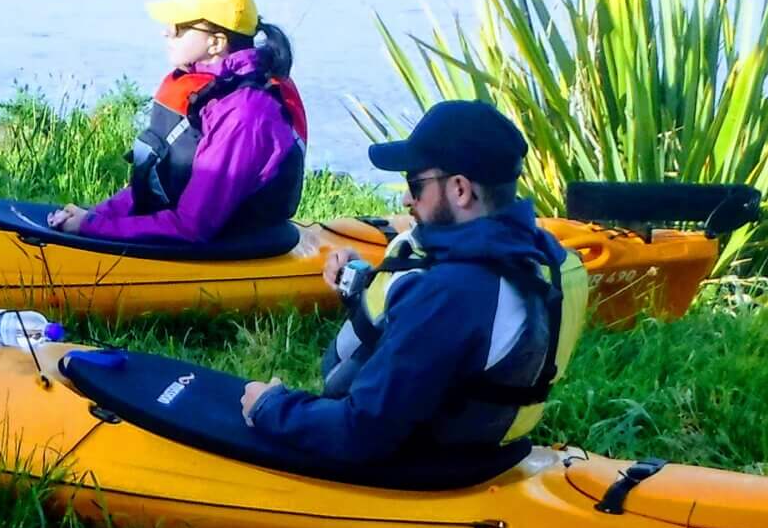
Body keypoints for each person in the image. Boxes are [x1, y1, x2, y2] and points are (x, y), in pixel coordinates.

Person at [237, 100, 588, 473]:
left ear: (460, 190)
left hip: (426, 463)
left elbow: (360, 434)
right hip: (492, 448)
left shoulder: (453, 294)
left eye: (415, 184)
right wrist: (362, 279)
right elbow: (465, 331)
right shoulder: (545, 258)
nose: (406, 199)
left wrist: (269, 407)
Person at [49, 0, 306, 244]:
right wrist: (97, 215)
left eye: (178, 27)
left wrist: (94, 228)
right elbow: (157, 182)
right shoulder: (208, 91)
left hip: (229, 247)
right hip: (189, 230)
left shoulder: (245, 114)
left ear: (216, 43)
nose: (166, 31)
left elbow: (192, 227)